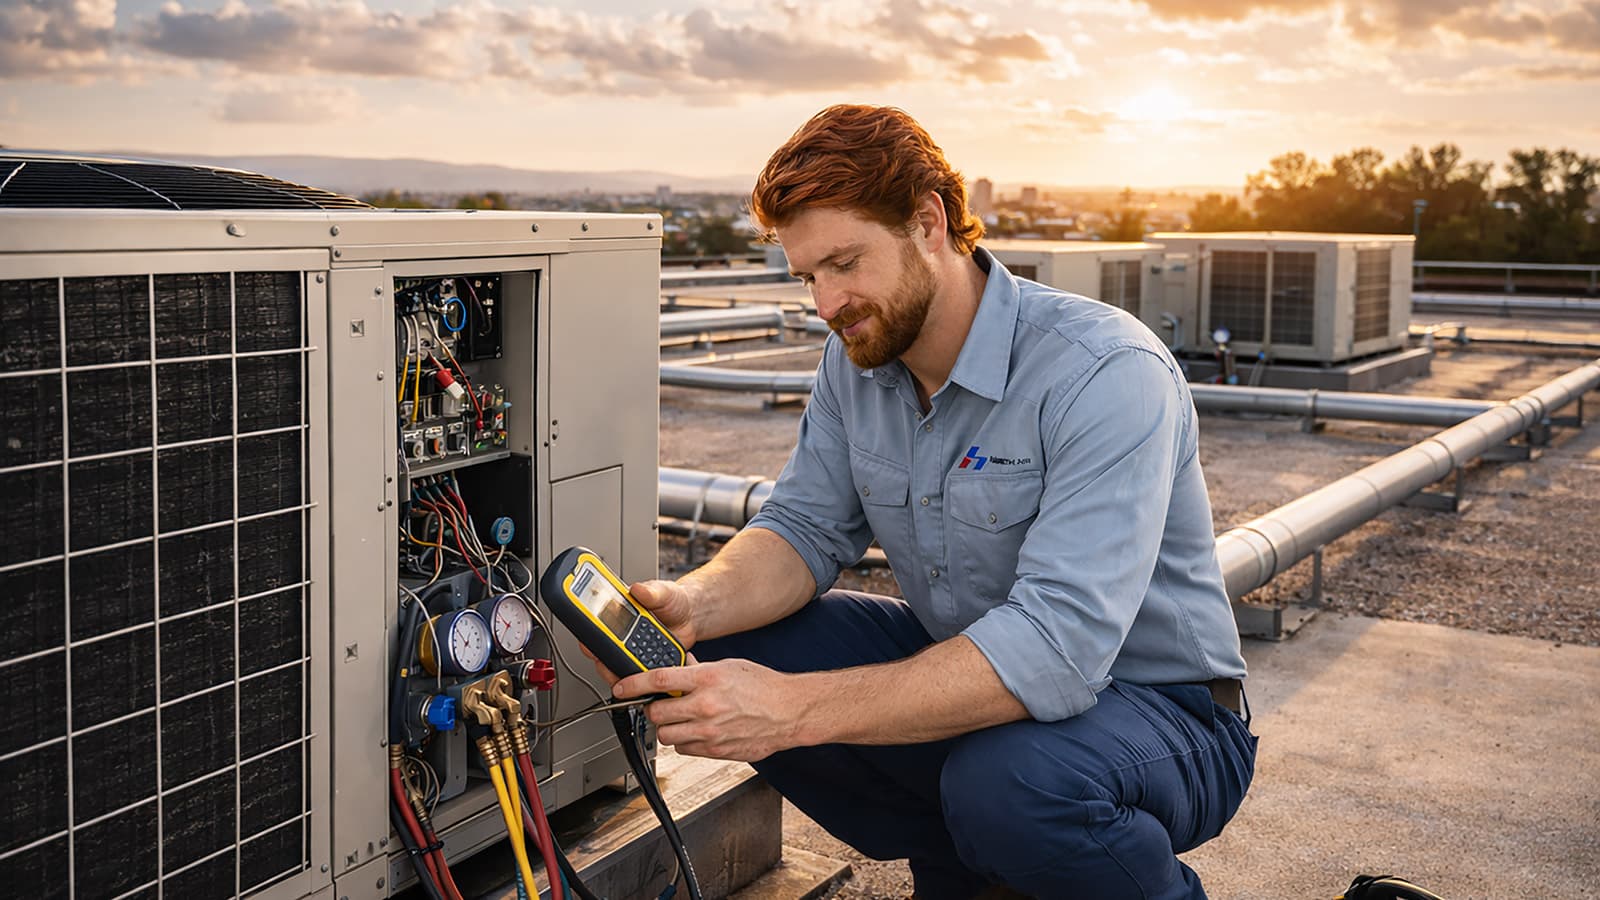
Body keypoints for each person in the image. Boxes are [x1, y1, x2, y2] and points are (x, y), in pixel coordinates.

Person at [601, 105, 1257, 900]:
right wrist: (692, 605)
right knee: (746, 643)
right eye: (809, 276)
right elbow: (803, 528)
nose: (828, 302)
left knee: (1011, 785)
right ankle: (967, 865)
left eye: (845, 262)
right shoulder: (858, 359)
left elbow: (1056, 647)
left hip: (1165, 712)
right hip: (986, 690)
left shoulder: (1103, 371)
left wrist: (793, 711)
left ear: (928, 222)